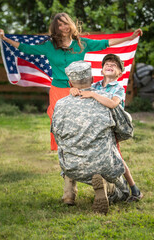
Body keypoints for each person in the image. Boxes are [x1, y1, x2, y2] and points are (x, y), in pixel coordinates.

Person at [0, 12, 143, 151]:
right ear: (56, 28)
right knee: (59, 122)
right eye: (59, 25)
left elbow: (107, 43)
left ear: (71, 25)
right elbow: (26, 48)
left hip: (79, 90)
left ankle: (85, 150)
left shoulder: (82, 43)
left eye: (66, 23)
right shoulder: (50, 46)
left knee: (81, 122)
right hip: (58, 90)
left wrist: (130, 37)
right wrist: (5, 39)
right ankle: (64, 153)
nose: (63, 27)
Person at [51, 60, 131, 214]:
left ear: (70, 82)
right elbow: (125, 130)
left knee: (67, 146)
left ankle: (69, 194)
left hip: (72, 165)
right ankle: (108, 189)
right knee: (123, 193)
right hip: (102, 163)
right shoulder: (106, 99)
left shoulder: (60, 104)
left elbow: (56, 132)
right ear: (93, 79)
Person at [70, 54, 143, 202]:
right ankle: (107, 187)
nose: (110, 66)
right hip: (96, 127)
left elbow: (112, 104)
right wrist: (74, 91)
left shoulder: (118, 88)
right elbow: (82, 95)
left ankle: (134, 189)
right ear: (102, 71)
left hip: (112, 127)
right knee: (101, 157)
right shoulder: (95, 86)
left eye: (114, 65)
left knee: (117, 158)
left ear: (120, 73)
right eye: (107, 65)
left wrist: (92, 94)